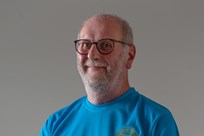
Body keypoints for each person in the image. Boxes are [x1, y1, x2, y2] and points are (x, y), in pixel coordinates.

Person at [40, 13, 179, 136]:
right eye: (85, 45)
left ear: (130, 55)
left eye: (106, 45)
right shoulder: (55, 125)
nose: (92, 55)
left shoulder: (155, 121)